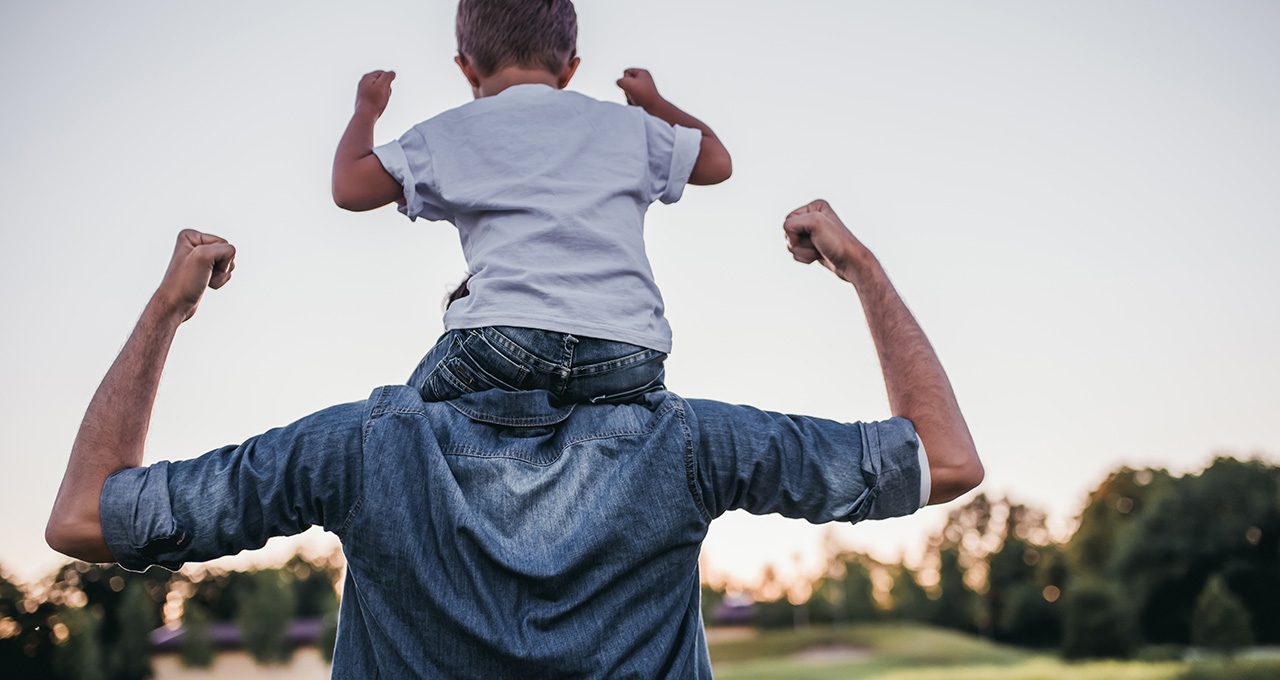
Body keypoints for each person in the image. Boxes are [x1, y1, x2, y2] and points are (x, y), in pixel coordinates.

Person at [46, 200, 983, 678]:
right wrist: (861, 270)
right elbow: (944, 461)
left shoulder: (361, 450)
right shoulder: (687, 445)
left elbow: (87, 517)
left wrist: (167, 311)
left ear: (457, 325)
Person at [331, 0, 732, 406]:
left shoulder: (451, 131)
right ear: (569, 70)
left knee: (400, 420)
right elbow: (717, 162)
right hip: (629, 352)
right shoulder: (628, 126)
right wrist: (652, 103)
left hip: (505, 341)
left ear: (467, 68)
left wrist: (367, 109)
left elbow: (349, 187)